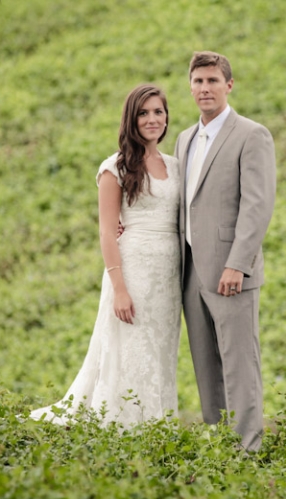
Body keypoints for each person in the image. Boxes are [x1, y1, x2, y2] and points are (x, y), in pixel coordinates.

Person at [30, 85, 181, 427]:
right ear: (131, 119)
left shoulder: (174, 165)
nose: (152, 119)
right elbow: (107, 230)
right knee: (129, 347)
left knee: (159, 349)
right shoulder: (116, 167)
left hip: (168, 275)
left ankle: (156, 421)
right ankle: (121, 424)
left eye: (159, 111)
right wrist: (120, 287)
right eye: (143, 113)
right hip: (133, 270)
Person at [174, 51, 276, 451]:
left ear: (229, 85)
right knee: (205, 365)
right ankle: (221, 445)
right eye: (198, 81)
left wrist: (238, 264)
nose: (205, 89)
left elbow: (258, 205)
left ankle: (248, 448)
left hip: (231, 272)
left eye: (213, 81)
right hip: (191, 272)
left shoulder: (252, 135)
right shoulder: (183, 139)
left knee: (239, 363)